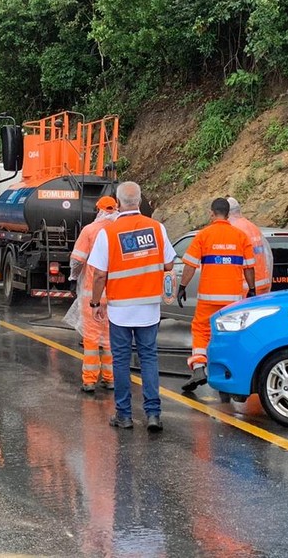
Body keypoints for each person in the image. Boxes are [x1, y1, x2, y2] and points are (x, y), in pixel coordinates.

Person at [88, 181, 175, 432]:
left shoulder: (109, 233)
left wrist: (95, 302)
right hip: (149, 307)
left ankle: (124, 416)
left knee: (121, 361)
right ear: (139, 200)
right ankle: (153, 415)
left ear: (118, 202)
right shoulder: (156, 229)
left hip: (121, 309)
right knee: (149, 358)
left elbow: (99, 275)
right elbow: (169, 265)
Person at [178, 197, 256, 393]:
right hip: (233, 299)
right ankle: (229, 372)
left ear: (212, 213)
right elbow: (249, 267)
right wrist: (252, 290)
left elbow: (189, 265)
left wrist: (182, 286)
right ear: (228, 214)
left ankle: (198, 367)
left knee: (201, 330)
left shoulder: (204, 235)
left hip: (208, 297)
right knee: (231, 333)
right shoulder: (240, 236)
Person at [69, 195, 119, 392]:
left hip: (92, 293)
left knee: (91, 339)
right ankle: (110, 378)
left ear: (98, 210)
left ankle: (89, 380)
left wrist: (74, 278)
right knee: (110, 339)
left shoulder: (90, 231)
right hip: (116, 295)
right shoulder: (119, 230)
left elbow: (77, 260)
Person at [227, 196, 274, 295]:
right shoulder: (253, 227)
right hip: (262, 283)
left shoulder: (233, 229)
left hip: (245, 285)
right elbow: (267, 255)